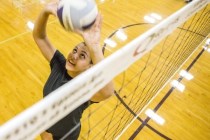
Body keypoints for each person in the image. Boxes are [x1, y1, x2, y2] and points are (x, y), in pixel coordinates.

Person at [33, 1, 114, 140]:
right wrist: (45, 11)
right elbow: (39, 37)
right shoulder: (59, 64)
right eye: (75, 50)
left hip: (66, 136)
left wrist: (94, 46)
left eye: (82, 56)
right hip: (45, 123)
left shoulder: (84, 90)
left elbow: (107, 91)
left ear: (90, 67)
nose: (74, 56)